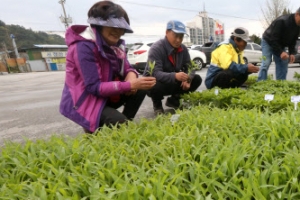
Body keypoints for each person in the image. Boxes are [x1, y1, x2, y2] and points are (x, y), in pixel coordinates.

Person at [60, 1, 156, 133]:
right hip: (86, 100)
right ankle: (103, 128)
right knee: (116, 122)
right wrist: (130, 85)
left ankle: (123, 125)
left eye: (121, 27)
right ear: (98, 25)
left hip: (107, 95)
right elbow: (93, 87)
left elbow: (128, 68)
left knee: (141, 88)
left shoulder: (115, 46)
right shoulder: (83, 47)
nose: (118, 31)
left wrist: (131, 77)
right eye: (112, 26)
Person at [143, 20, 202, 115]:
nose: (178, 40)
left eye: (181, 36)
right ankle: (157, 105)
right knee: (153, 82)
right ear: (167, 32)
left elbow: (190, 67)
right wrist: (175, 76)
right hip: (158, 82)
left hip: (171, 81)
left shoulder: (183, 49)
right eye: (176, 36)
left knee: (196, 79)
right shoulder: (157, 48)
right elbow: (155, 73)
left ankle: (174, 100)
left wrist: (188, 79)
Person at [257, 7, 300, 81]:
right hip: (268, 41)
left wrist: (292, 53)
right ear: (297, 14)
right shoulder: (282, 21)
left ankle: (280, 85)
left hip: (280, 44)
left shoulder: (298, 26)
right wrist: (281, 52)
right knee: (266, 62)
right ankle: (261, 83)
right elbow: (274, 39)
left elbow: (293, 40)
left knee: (283, 62)